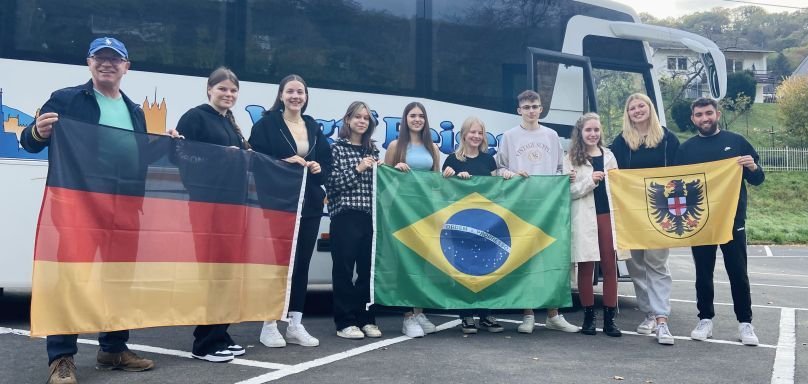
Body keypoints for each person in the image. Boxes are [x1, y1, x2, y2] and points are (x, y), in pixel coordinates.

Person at [19, 36, 155, 384]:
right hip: (78, 208)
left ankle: (113, 349)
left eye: (115, 59)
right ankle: (61, 359)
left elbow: (141, 156)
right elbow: (29, 141)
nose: (107, 64)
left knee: (118, 281)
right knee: (70, 280)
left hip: (124, 208)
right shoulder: (66, 99)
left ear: (127, 66)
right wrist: (36, 131)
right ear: (89, 63)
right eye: (100, 58)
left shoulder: (135, 110)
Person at [248, 74, 331, 348]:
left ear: (306, 97)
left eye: (301, 92)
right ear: (281, 95)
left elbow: (326, 162)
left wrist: (318, 168)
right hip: (278, 203)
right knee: (277, 264)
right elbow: (255, 161)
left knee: (301, 265)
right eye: (291, 92)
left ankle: (295, 323)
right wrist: (283, 162)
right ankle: (269, 323)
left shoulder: (312, 126)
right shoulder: (267, 124)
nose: (296, 96)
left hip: (308, 204)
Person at [175, 67, 249, 362]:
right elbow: (181, 156)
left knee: (225, 273)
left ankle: (220, 332)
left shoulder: (229, 122)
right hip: (207, 204)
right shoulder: (195, 117)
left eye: (232, 90)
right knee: (211, 272)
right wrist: (219, 156)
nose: (228, 94)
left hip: (231, 206)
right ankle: (204, 342)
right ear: (209, 90)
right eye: (222, 89)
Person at [676, 97, 764, 346]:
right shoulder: (686, 149)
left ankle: (745, 323)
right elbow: (675, 185)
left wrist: (753, 168)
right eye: (699, 115)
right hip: (700, 220)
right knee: (703, 273)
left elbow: (758, 179)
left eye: (709, 113)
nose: (705, 118)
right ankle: (705, 319)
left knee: (738, 272)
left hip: (732, 219)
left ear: (717, 113)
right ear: (693, 118)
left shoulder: (736, 142)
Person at [495, 90, 579, 334]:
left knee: (550, 258)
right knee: (524, 259)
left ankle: (553, 313)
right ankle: (528, 313)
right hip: (521, 206)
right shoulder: (509, 137)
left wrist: (567, 177)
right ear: (518, 110)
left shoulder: (551, 136)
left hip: (549, 207)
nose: (531, 110)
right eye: (527, 107)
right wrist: (508, 174)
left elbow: (558, 170)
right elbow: (499, 168)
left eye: (535, 106)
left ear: (541, 109)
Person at [610, 92, 679, 345]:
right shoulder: (621, 141)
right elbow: (608, 167)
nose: (637, 111)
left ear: (650, 109)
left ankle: (661, 318)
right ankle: (648, 312)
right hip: (631, 212)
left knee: (657, 263)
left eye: (641, 106)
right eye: (632, 108)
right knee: (636, 264)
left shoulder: (667, 138)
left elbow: (681, 170)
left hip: (660, 212)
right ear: (627, 114)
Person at [442, 116, 511, 334]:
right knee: (464, 268)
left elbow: (495, 191)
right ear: (463, 134)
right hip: (460, 223)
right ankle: (466, 315)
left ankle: (486, 314)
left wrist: (505, 176)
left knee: (486, 267)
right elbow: (441, 193)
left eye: (480, 133)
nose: (476, 136)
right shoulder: (452, 159)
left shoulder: (489, 160)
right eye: (472, 132)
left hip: (486, 223)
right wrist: (451, 178)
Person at [326, 101, 383, 339]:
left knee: (367, 272)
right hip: (345, 216)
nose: (362, 121)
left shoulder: (374, 151)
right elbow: (332, 185)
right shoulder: (337, 149)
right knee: (344, 270)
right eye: (357, 117)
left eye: (366, 118)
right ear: (348, 120)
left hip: (370, 218)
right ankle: (345, 322)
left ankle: (366, 318)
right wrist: (358, 169)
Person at [384, 101, 440, 338]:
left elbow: (437, 180)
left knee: (422, 264)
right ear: (405, 120)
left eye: (421, 116)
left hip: (425, 211)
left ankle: (419, 311)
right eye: (412, 115)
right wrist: (397, 168)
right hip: (401, 211)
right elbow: (384, 180)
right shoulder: (396, 146)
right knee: (405, 262)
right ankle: (407, 316)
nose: (417, 119)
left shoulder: (433, 148)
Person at [563, 113, 621, 337]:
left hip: (607, 216)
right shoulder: (571, 158)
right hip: (584, 217)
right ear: (580, 132)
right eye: (588, 130)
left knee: (609, 267)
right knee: (585, 267)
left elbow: (618, 186)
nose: (593, 134)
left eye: (596, 130)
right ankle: (589, 317)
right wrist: (590, 181)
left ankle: (609, 319)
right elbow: (568, 191)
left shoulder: (609, 156)